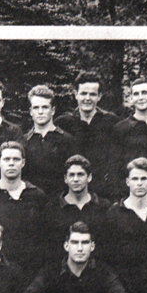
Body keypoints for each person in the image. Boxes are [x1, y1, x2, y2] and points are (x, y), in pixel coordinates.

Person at [0, 141, 48, 280]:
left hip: (31, 271)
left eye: (16, 159)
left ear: (23, 162)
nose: (11, 163)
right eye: (7, 159)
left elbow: (45, 238)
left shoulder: (38, 196)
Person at [101, 157, 147, 293]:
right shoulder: (113, 213)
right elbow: (107, 255)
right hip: (124, 284)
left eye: (143, 179)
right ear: (127, 182)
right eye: (135, 179)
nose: (139, 183)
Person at [54, 71, 120, 201]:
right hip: (72, 191)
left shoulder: (111, 121)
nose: (87, 98)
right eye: (83, 93)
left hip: (104, 193)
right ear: (75, 94)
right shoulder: (63, 122)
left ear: (99, 96)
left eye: (92, 94)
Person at [46, 155, 112, 260]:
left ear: (89, 177)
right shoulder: (53, 208)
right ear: (65, 179)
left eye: (80, 175)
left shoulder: (103, 206)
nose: (75, 179)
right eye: (71, 175)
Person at [23, 85, 76, 199]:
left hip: (59, 203)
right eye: (36, 108)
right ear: (31, 111)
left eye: (45, 107)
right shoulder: (23, 141)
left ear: (52, 110)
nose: (40, 112)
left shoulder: (67, 140)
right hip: (31, 201)